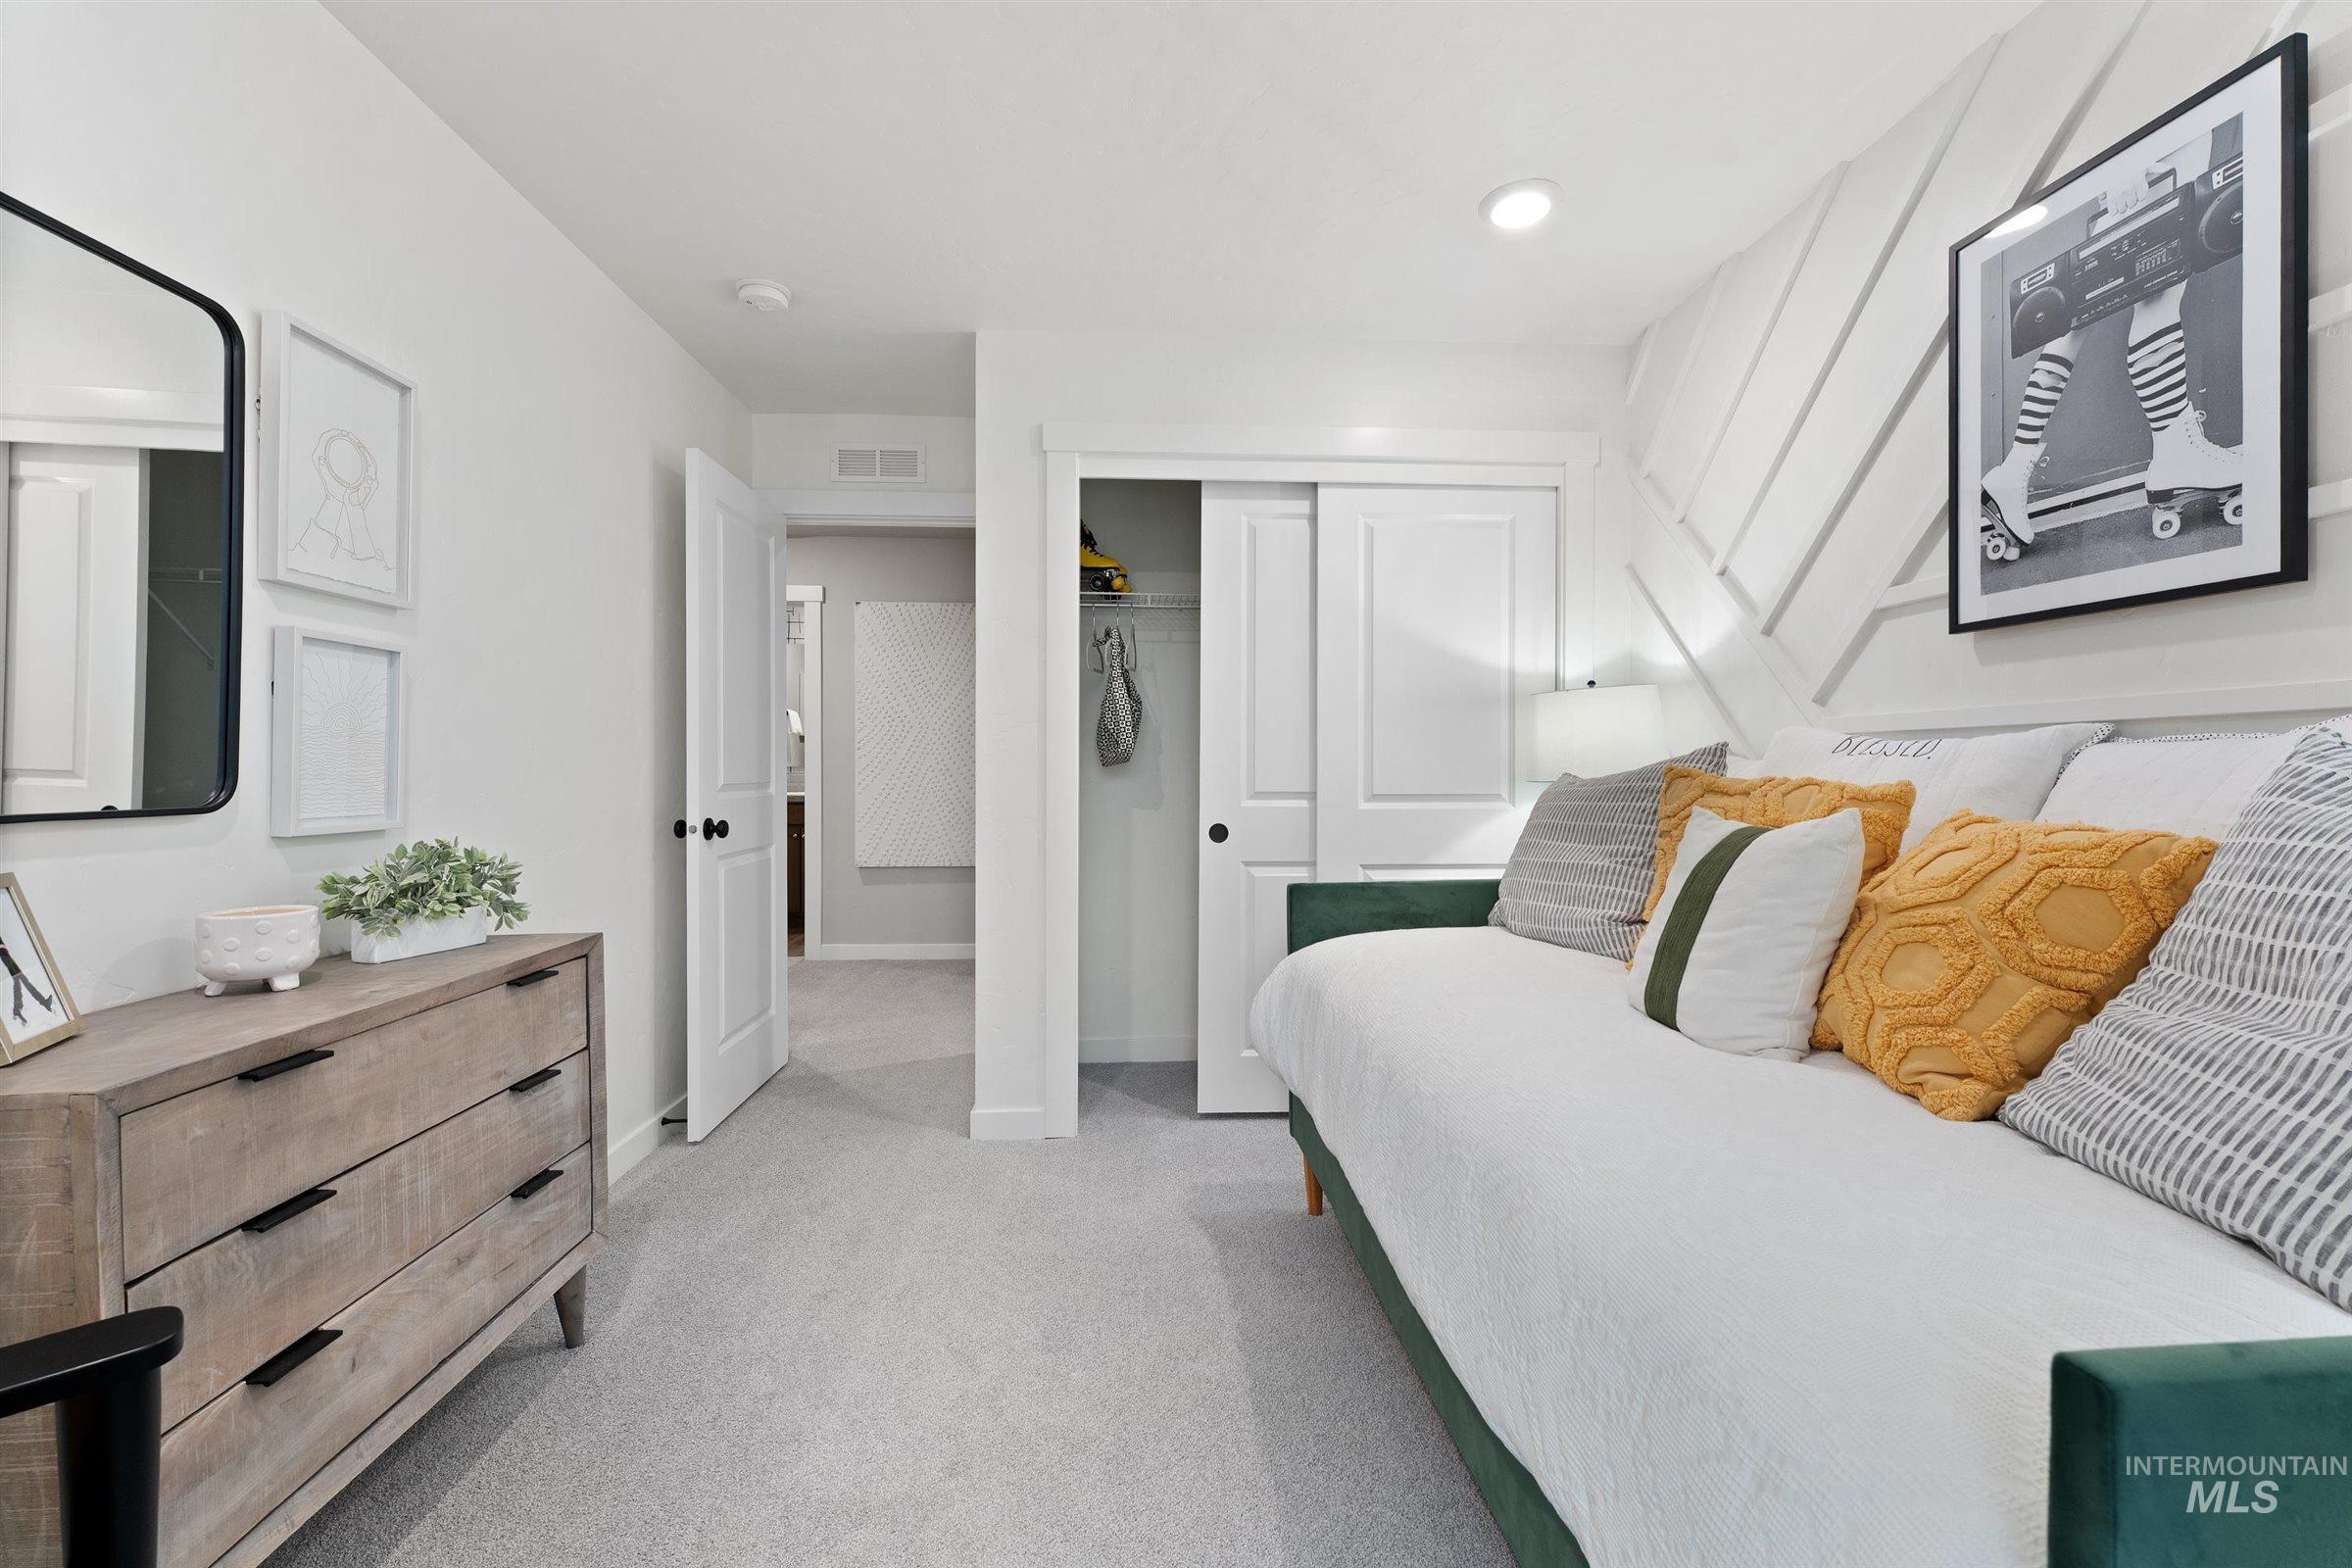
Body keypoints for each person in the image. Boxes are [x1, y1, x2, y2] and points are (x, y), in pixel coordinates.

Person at [1981, 128, 2244, 560]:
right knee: (2153, 293)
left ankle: (2013, 471)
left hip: (2159, 160)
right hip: (2159, 161)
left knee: (2081, 309)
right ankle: (2176, 454)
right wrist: (2125, 168)